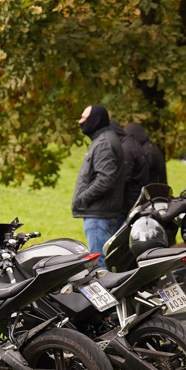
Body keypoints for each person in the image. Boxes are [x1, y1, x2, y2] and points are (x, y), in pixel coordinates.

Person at [72, 104, 124, 269]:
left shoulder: (103, 143)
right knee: (102, 262)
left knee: (99, 265)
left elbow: (105, 179)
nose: (80, 122)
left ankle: (107, 295)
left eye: (84, 118)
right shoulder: (103, 139)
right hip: (100, 213)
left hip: (98, 215)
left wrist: (83, 198)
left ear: (95, 120)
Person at [110, 119, 149, 222]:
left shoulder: (126, 148)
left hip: (127, 206)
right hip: (134, 202)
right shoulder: (133, 144)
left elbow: (123, 178)